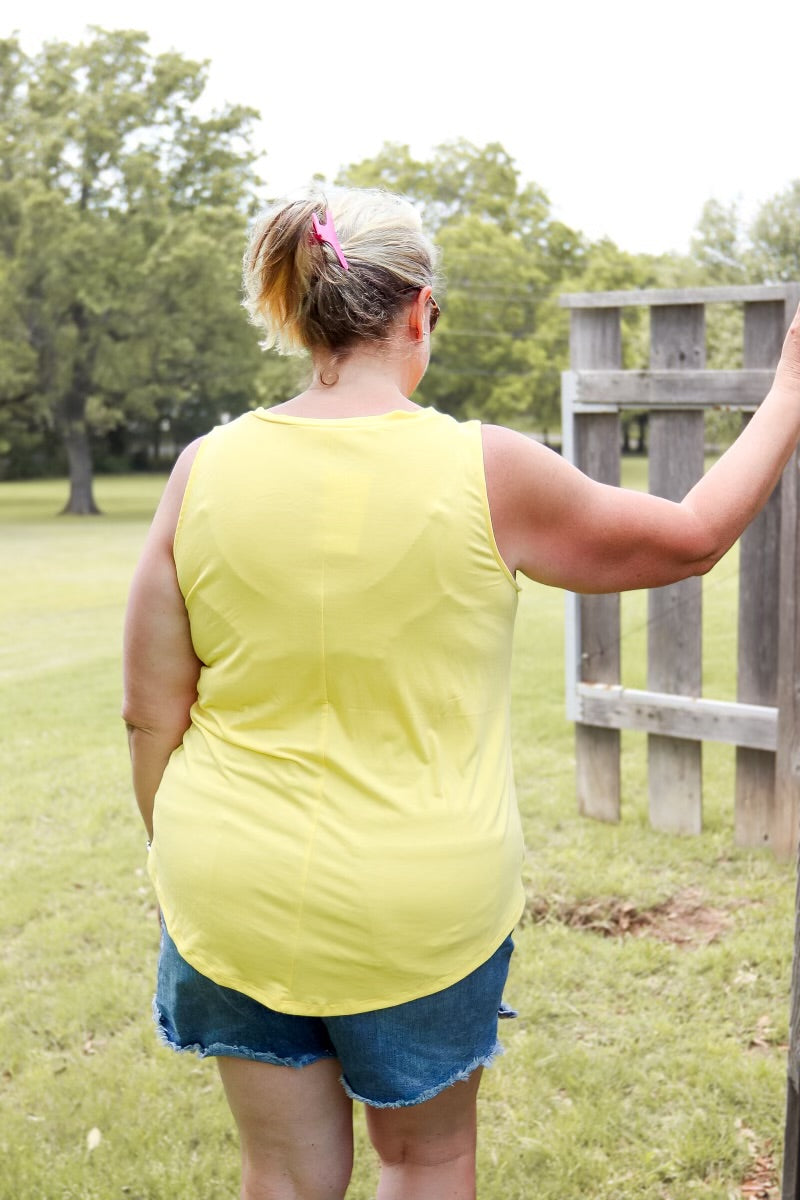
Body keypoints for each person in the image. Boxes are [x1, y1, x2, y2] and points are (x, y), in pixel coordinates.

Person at [123, 187, 800, 1200]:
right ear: (416, 313)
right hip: (418, 900)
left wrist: (183, 849)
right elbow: (691, 535)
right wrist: (787, 392)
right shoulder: (484, 468)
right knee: (425, 1158)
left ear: (304, 313)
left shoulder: (201, 470)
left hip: (226, 881)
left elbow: (150, 709)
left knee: (279, 1171)